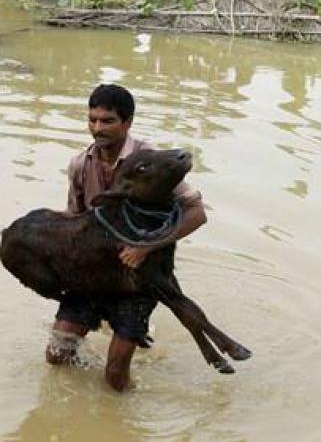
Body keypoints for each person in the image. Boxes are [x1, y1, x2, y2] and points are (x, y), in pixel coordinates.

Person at [45, 84, 208, 391]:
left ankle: (127, 413)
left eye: (107, 121)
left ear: (127, 123)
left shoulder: (152, 163)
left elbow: (197, 213)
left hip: (137, 278)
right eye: (92, 120)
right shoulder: (80, 163)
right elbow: (75, 218)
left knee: (115, 376)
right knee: (57, 354)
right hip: (95, 271)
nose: (97, 128)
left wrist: (145, 247)